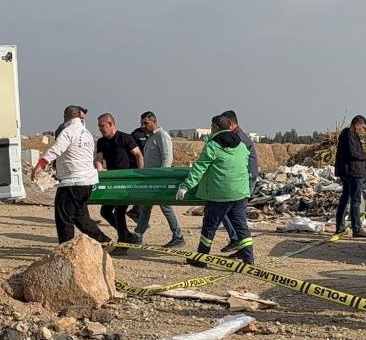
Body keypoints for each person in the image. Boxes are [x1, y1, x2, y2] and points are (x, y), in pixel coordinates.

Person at [176, 115, 254, 265]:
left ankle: (201, 259)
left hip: (219, 194)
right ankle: (249, 259)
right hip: (240, 193)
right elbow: (245, 166)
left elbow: (199, 168)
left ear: (215, 127)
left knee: (209, 227)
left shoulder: (212, 146)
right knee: (241, 226)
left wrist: (185, 186)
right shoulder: (241, 145)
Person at [31, 106, 110, 244]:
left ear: (65, 117)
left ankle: (65, 248)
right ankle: (103, 241)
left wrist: (40, 164)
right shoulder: (87, 133)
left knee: (63, 217)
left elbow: (56, 149)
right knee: (80, 217)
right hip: (87, 183)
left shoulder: (68, 131)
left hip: (72, 182)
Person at [94, 113, 144, 255]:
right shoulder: (101, 142)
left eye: (102, 126)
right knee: (105, 211)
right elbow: (99, 160)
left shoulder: (125, 138)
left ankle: (123, 245)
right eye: (99, 126)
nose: (100, 129)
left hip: (126, 182)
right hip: (112, 182)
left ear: (110, 124)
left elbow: (138, 154)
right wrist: (100, 174)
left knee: (119, 212)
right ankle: (127, 235)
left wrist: (140, 175)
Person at [133, 111, 186, 247]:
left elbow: (167, 158)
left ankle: (178, 236)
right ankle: (138, 234)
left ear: (154, 122)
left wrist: (162, 178)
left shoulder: (162, 136)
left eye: (146, 123)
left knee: (165, 206)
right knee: (146, 205)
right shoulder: (151, 138)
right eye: (142, 123)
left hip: (160, 180)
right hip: (151, 180)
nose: (143, 126)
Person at [217, 109, 258, 253]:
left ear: (230, 123)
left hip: (245, 179)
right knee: (230, 213)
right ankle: (238, 243)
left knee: (235, 215)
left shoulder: (239, 138)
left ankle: (241, 246)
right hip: (241, 179)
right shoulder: (235, 136)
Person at [334, 115, 366, 238]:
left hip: (349, 171)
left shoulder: (350, 135)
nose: (363, 130)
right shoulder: (349, 135)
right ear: (357, 124)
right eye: (363, 127)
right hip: (353, 172)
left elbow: (354, 153)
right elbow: (353, 153)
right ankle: (356, 229)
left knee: (345, 198)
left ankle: (340, 227)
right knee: (355, 200)